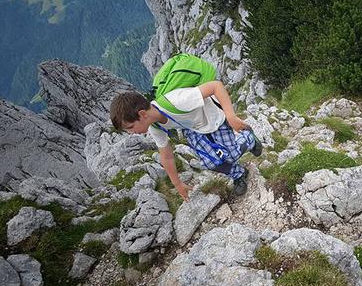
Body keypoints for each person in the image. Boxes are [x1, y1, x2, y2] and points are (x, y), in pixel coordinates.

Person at [110, 80, 262, 201]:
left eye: (130, 127)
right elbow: (166, 155)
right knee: (210, 162)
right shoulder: (154, 126)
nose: (131, 132)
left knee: (232, 155)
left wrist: (231, 116)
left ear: (142, 114)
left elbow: (216, 86)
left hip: (213, 118)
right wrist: (177, 184)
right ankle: (239, 174)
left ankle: (248, 138)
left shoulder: (177, 101)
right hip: (193, 129)